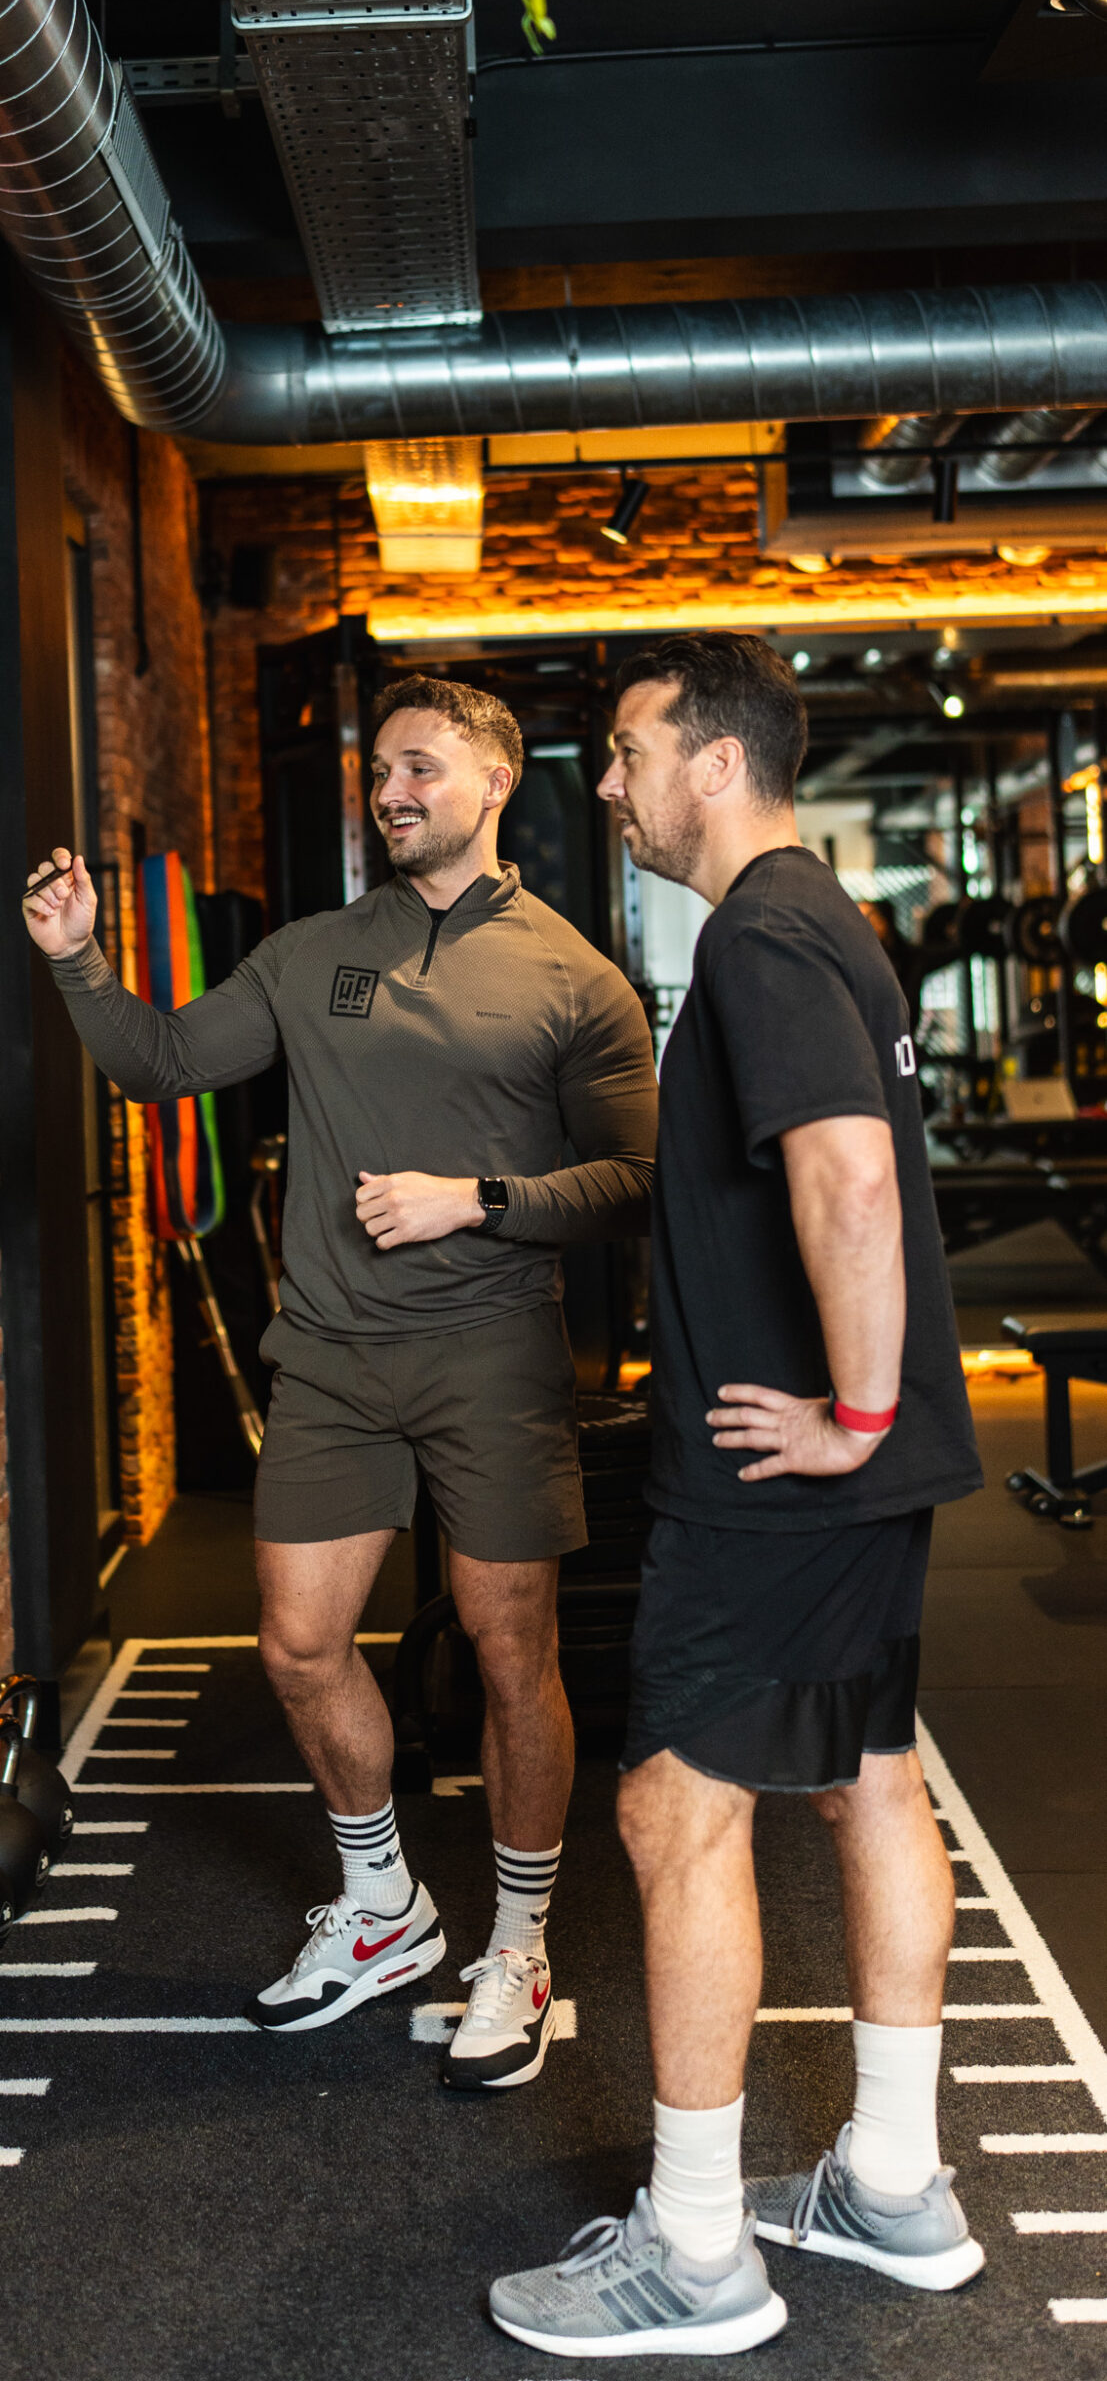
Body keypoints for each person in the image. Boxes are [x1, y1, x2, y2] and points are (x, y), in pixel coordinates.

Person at [23, 675, 657, 2090]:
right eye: (381, 773)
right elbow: (167, 1062)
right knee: (300, 1646)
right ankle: (385, 1907)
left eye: (421, 769)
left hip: (492, 1355)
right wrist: (77, 959)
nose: (391, 794)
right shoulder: (315, 955)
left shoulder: (573, 977)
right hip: (331, 1355)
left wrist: (474, 1199)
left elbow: (634, 1182)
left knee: (511, 1656)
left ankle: (523, 1940)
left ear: (493, 782)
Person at [489, 634, 984, 2357]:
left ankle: (695, 2255)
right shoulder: (829, 920)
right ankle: (896, 2186)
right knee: (867, 1779)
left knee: (674, 1814)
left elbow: (848, 1179)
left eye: (625, 752)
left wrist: (849, 1411)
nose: (606, 789)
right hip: (862, 1473)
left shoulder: (763, 932)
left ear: (714, 761)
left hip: (789, 1475)